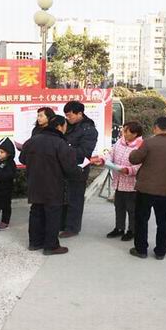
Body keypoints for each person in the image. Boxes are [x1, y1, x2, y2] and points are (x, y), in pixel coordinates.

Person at [20, 116, 82, 255]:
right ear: (59, 127)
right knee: (53, 214)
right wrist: (79, 171)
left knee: (36, 211)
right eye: (65, 126)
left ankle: (35, 243)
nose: (65, 129)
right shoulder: (60, 143)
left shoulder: (32, 140)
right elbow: (69, 167)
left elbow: (22, 159)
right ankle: (51, 246)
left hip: (34, 183)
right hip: (53, 184)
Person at [128, 116, 166, 260]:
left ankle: (141, 249)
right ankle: (161, 251)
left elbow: (134, 159)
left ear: (156, 128)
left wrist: (133, 151)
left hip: (145, 189)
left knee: (142, 219)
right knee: (163, 221)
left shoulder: (149, 143)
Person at [95, 121, 143, 241]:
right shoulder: (119, 142)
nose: (124, 133)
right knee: (119, 206)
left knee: (131, 209)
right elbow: (111, 154)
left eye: (126, 131)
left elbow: (140, 165)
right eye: (123, 130)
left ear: (135, 134)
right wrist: (104, 160)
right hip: (118, 181)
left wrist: (128, 170)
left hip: (132, 184)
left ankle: (132, 230)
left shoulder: (141, 146)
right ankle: (119, 228)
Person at [61, 100, 98, 238]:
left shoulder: (89, 130)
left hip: (78, 168)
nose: (67, 118)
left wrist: (63, 150)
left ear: (80, 113)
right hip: (64, 167)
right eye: (66, 115)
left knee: (75, 199)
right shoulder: (67, 125)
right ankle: (62, 224)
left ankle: (72, 228)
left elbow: (84, 151)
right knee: (63, 197)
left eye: (70, 115)